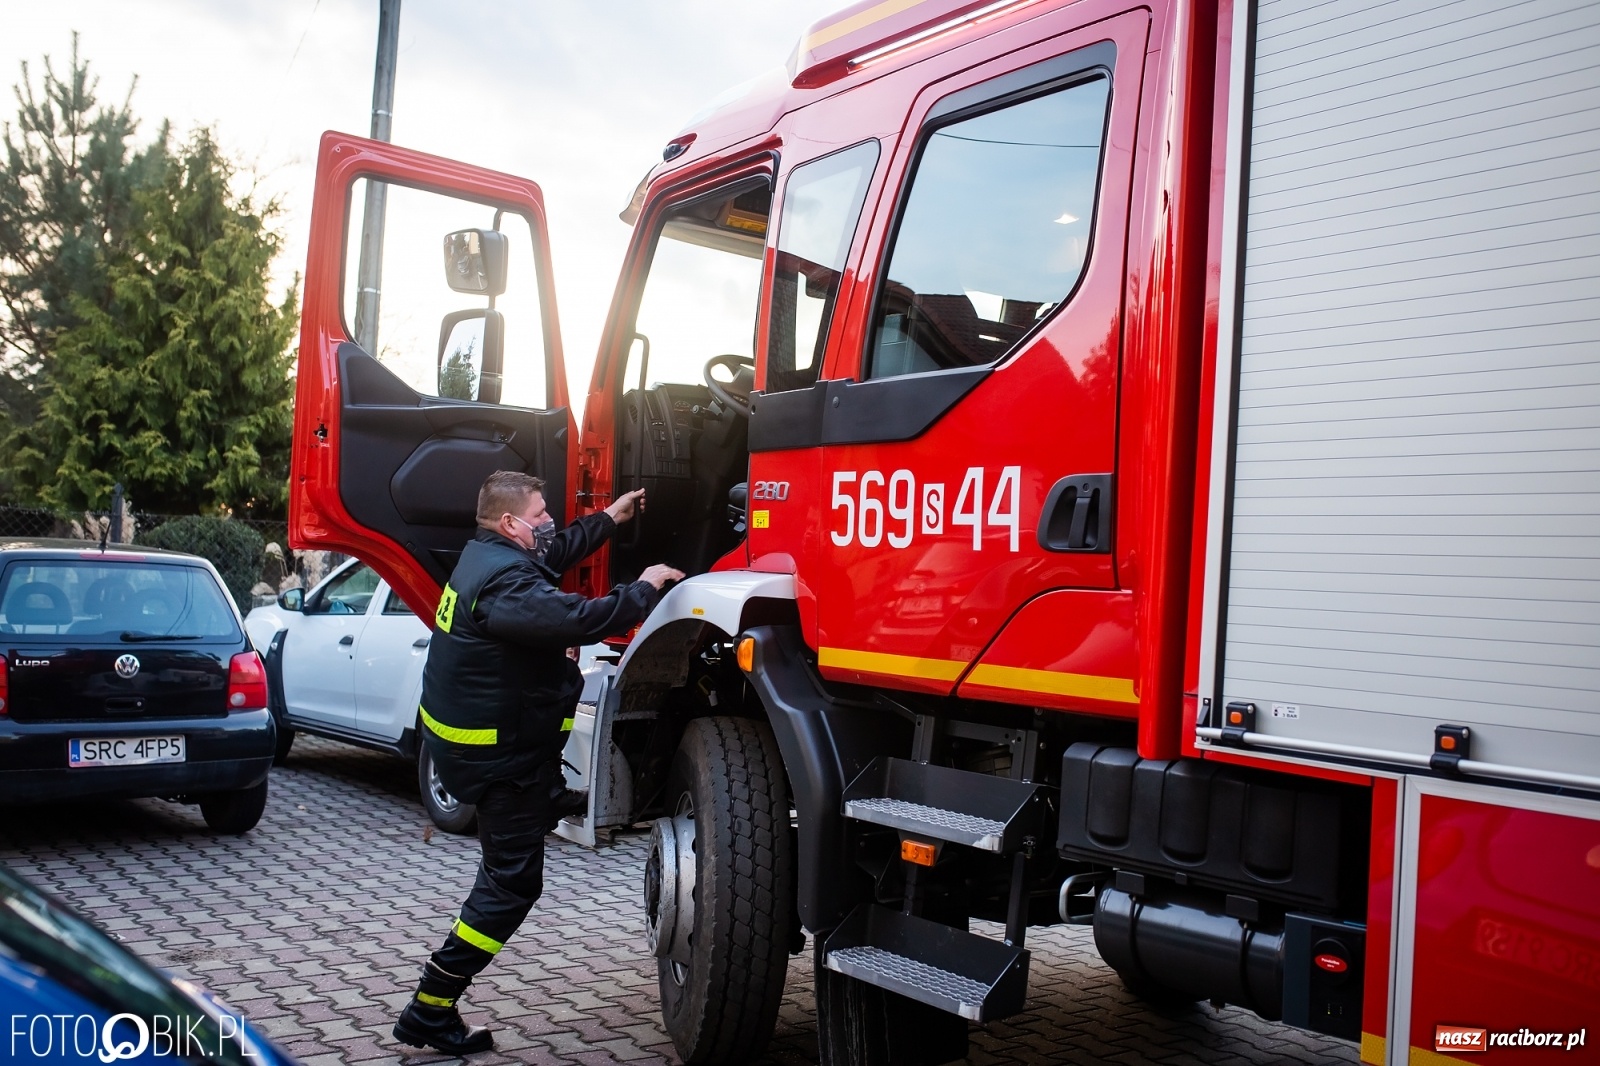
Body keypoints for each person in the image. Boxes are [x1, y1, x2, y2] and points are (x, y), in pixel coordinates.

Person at [393, 470, 683, 1054]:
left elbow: (558, 548)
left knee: (525, 836)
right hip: (500, 762)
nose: (548, 522)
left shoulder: (488, 556)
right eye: (540, 513)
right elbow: (578, 620)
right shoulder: (505, 584)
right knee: (510, 886)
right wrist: (647, 586)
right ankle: (431, 1007)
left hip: (496, 749)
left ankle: (548, 799)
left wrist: (611, 518)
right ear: (509, 523)